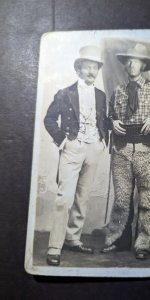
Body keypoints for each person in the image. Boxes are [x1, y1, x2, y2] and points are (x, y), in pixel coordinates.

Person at [101, 43, 150, 260]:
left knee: (148, 198)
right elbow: (109, 116)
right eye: (129, 60)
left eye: (137, 60)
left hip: (148, 149)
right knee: (122, 199)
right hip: (122, 149)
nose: (132, 64)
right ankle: (118, 241)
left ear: (143, 64)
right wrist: (112, 122)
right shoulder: (118, 91)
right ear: (125, 64)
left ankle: (145, 243)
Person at [44, 45, 108, 266]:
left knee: (83, 197)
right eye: (87, 67)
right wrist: (63, 140)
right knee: (64, 198)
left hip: (94, 148)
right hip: (72, 147)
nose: (91, 72)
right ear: (78, 69)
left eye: (95, 68)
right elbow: (49, 119)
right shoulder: (65, 93)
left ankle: (73, 238)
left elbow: (103, 120)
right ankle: (54, 246)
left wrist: (103, 139)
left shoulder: (101, 95)